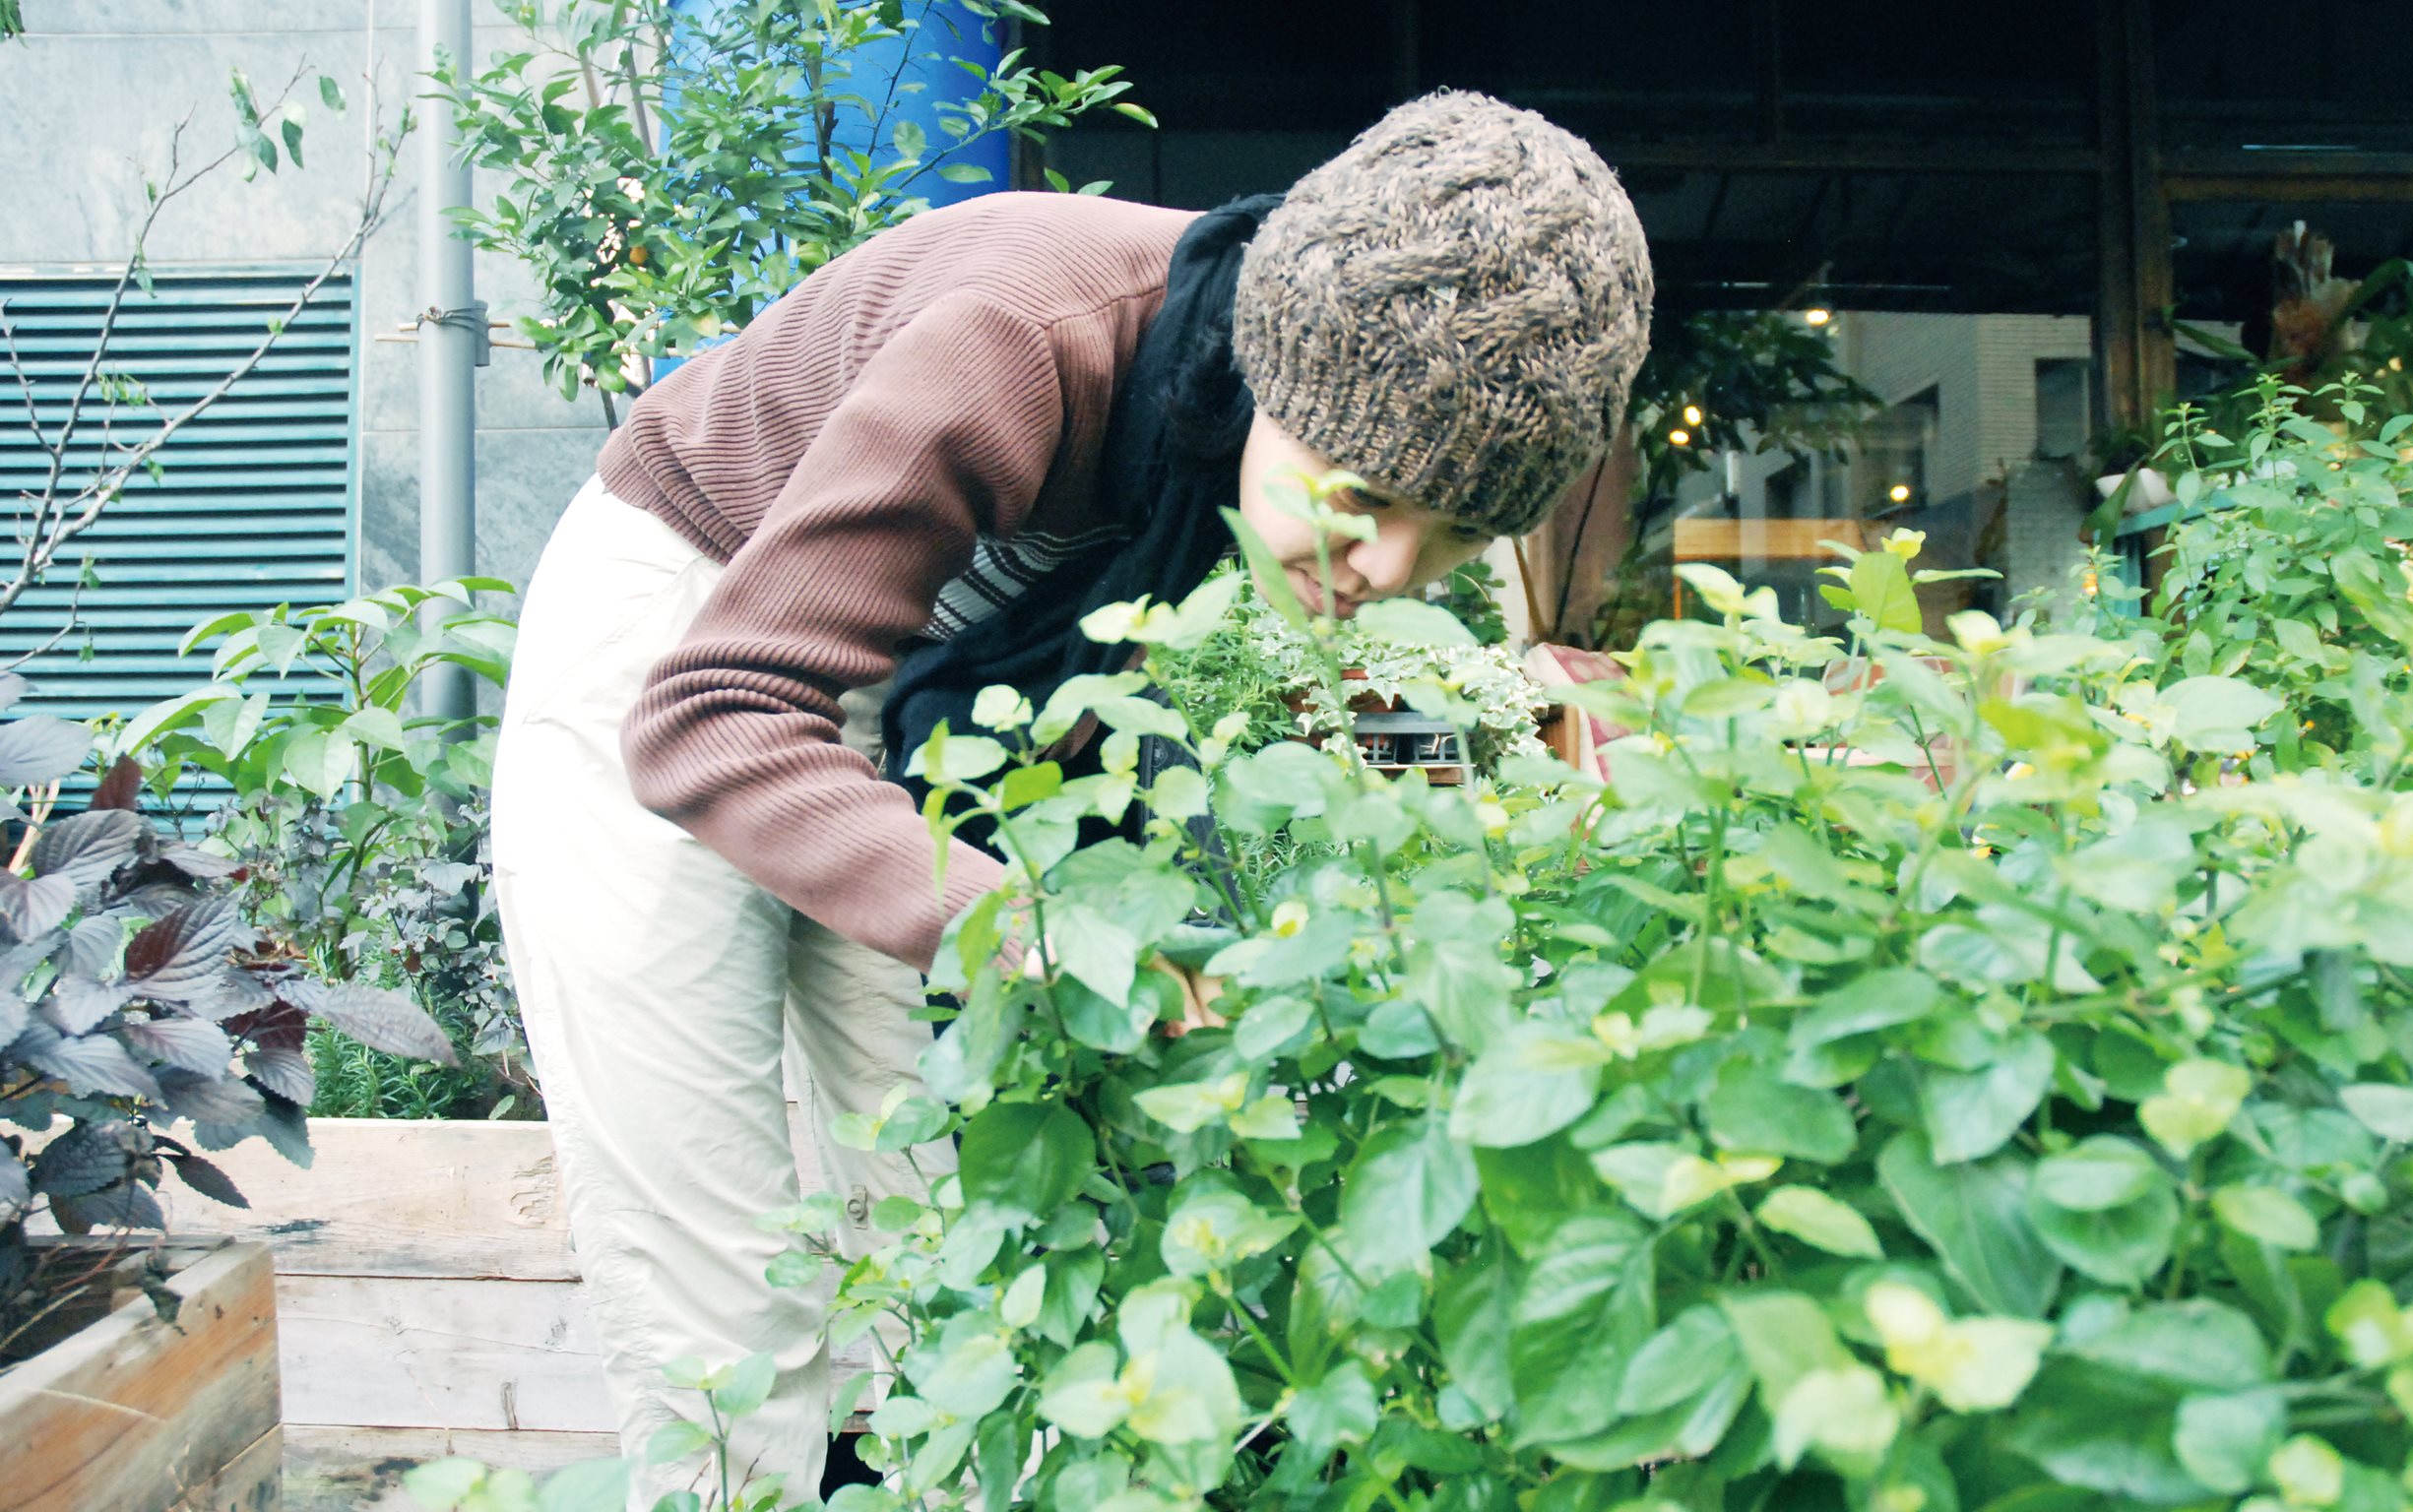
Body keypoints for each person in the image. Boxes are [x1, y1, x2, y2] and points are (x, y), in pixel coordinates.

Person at [488, 88, 1652, 1505]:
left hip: (898, 680)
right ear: (1282, 367)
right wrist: (1025, 920)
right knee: (721, 1291)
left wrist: (1489, 833)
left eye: (1459, 530)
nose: (1390, 567)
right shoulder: (1025, 336)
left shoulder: (1245, 435)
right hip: (690, 630)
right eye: (1365, 494)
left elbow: (1372, 692)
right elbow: (711, 715)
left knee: (958, 1236)